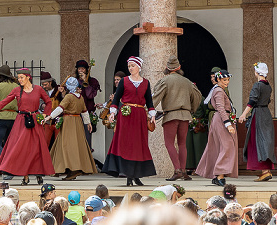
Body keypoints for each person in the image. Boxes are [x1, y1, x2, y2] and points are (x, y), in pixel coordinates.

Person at [0, 68, 54, 185]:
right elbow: (4, 102)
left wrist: (45, 115)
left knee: (37, 147)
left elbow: (48, 102)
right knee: (22, 149)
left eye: (21, 77)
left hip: (35, 120)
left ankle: (38, 172)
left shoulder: (38, 89)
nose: (19, 80)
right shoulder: (17, 90)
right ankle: (25, 176)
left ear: (28, 77)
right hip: (21, 121)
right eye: (19, 77)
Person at [103, 56, 157, 186]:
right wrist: (112, 113)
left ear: (139, 66)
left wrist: (152, 114)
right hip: (126, 116)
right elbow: (116, 99)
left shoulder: (146, 83)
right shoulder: (124, 81)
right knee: (126, 144)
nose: (130, 68)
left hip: (139, 116)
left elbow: (149, 101)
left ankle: (137, 175)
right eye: (129, 66)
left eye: (133, 66)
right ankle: (128, 176)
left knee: (139, 145)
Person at [151, 56, 203, 181]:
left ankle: (177, 170)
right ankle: (184, 171)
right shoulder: (187, 81)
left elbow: (156, 96)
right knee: (182, 144)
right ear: (179, 68)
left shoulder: (165, 81)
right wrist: (192, 110)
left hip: (171, 115)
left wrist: (149, 109)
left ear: (167, 68)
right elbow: (198, 96)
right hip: (185, 115)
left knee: (169, 143)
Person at [42, 77, 97, 180]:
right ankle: (68, 168)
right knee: (76, 145)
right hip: (78, 122)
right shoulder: (80, 97)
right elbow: (84, 111)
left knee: (66, 145)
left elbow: (60, 108)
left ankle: (71, 168)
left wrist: (50, 116)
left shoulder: (68, 97)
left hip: (69, 122)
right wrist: (88, 123)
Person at [196, 70, 239, 187]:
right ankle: (220, 175)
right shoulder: (219, 91)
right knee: (227, 146)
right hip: (221, 120)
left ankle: (216, 176)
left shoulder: (218, 90)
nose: (227, 82)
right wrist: (227, 124)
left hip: (219, 119)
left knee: (217, 147)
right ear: (218, 79)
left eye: (228, 80)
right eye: (224, 80)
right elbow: (220, 108)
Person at [238, 62, 275, 182]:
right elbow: (268, 100)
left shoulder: (257, 86)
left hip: (258, 114)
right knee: (266, 141)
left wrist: (244, 114)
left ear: (257, 72)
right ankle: (266, 170)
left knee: (258, 141)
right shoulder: (268, 86)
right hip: (266, 114)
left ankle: (264, 171)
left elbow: (252, 101)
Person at [72, 60, 101, 149]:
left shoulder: (93, 81)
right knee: (75, 141)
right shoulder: (74, 81)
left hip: (88, 113)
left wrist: (86, 83)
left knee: (87, 141)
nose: (81, 71)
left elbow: (90, 95)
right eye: (79, 69)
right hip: (76, 114)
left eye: (83, 69)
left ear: (86, 70)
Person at [40, 71, 60, 148]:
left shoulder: (58, 89)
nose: (44, 86)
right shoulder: (42, 90)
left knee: (58, 141)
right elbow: (40, 101)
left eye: (45, 84)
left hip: (57, 120)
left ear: (50, 82)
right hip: (47, 120)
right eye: (43, 85)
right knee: (45, 141)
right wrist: (42, 105)